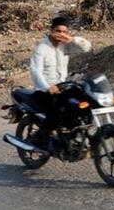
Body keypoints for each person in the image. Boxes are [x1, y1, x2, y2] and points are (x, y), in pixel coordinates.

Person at [30, 16, 92, 151]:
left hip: (62, 87)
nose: (61, 34)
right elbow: (35, 71)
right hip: (44, 91)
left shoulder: (65, 47)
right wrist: (48, 87)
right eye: (58, 31)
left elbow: (87, 48)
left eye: (65, 32)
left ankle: (74, 136)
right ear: (51, 31)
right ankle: (39, 136)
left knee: (82, 104)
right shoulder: (42, 48)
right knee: (57, 113)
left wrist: (73, 40)